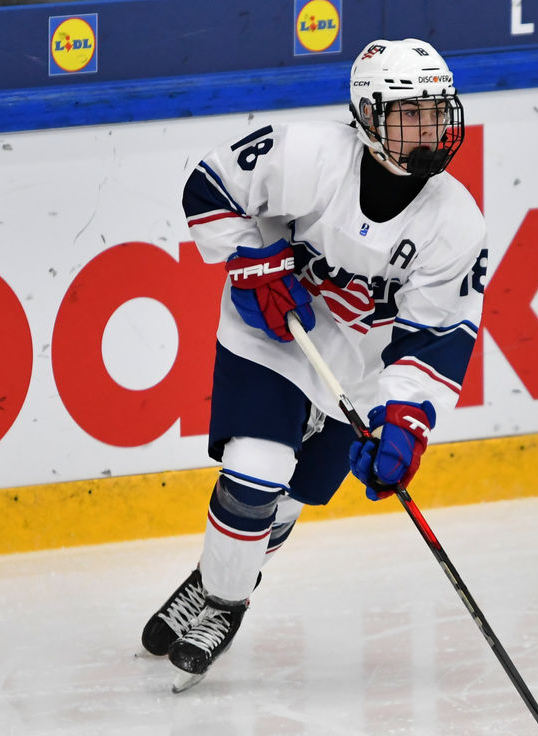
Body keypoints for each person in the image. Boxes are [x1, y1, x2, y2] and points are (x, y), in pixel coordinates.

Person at [138, 38, 487, 691]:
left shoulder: (455, 223)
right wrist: (250, 260)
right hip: (275, 333)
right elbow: (212, 185)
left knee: (295, 498)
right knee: (256, 469)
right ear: (367, 114)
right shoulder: (310, 155)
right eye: (409, 115)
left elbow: (436, 338)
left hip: (356, 371)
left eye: (437, 112)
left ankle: (219, 574)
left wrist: (406, 423)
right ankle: (224, 604)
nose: (430, 131)